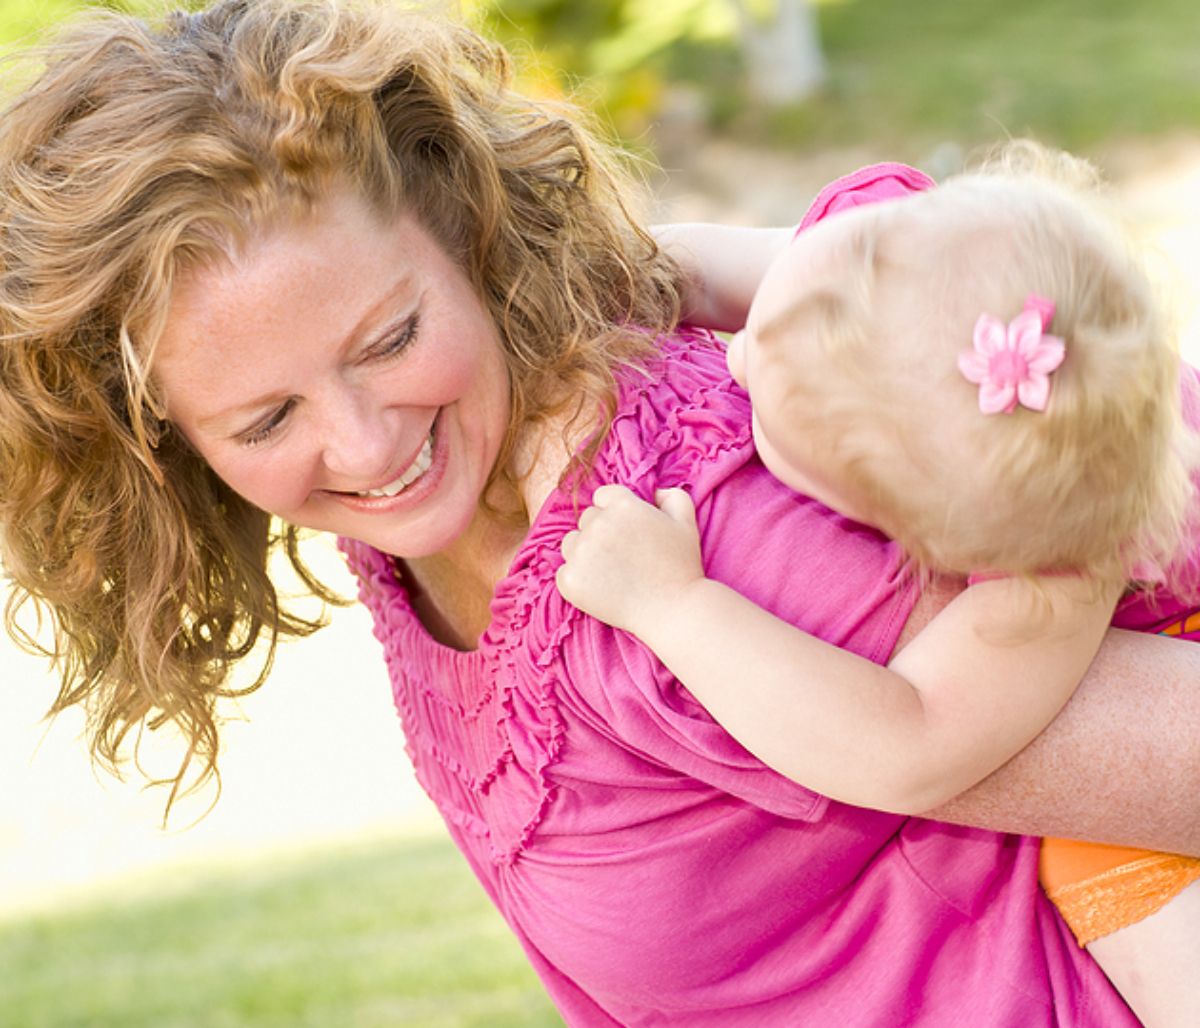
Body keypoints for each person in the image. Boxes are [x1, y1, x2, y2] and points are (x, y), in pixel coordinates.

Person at [0, 1, 1198, 1023]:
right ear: (161, 441)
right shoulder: (448, 520)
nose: (365, 445)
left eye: (394, 338)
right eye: (266, 419)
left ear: (465, 232)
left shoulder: (712, 531)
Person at [556, 144, 1200, 1026]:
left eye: (766, 412)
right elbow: (689, 271)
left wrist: (673, 604)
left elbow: (907, 743)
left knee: (1107, 856)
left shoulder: (1056, 558)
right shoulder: (890, 274)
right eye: (760, 334)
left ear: (927, 534)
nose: (734, 361)